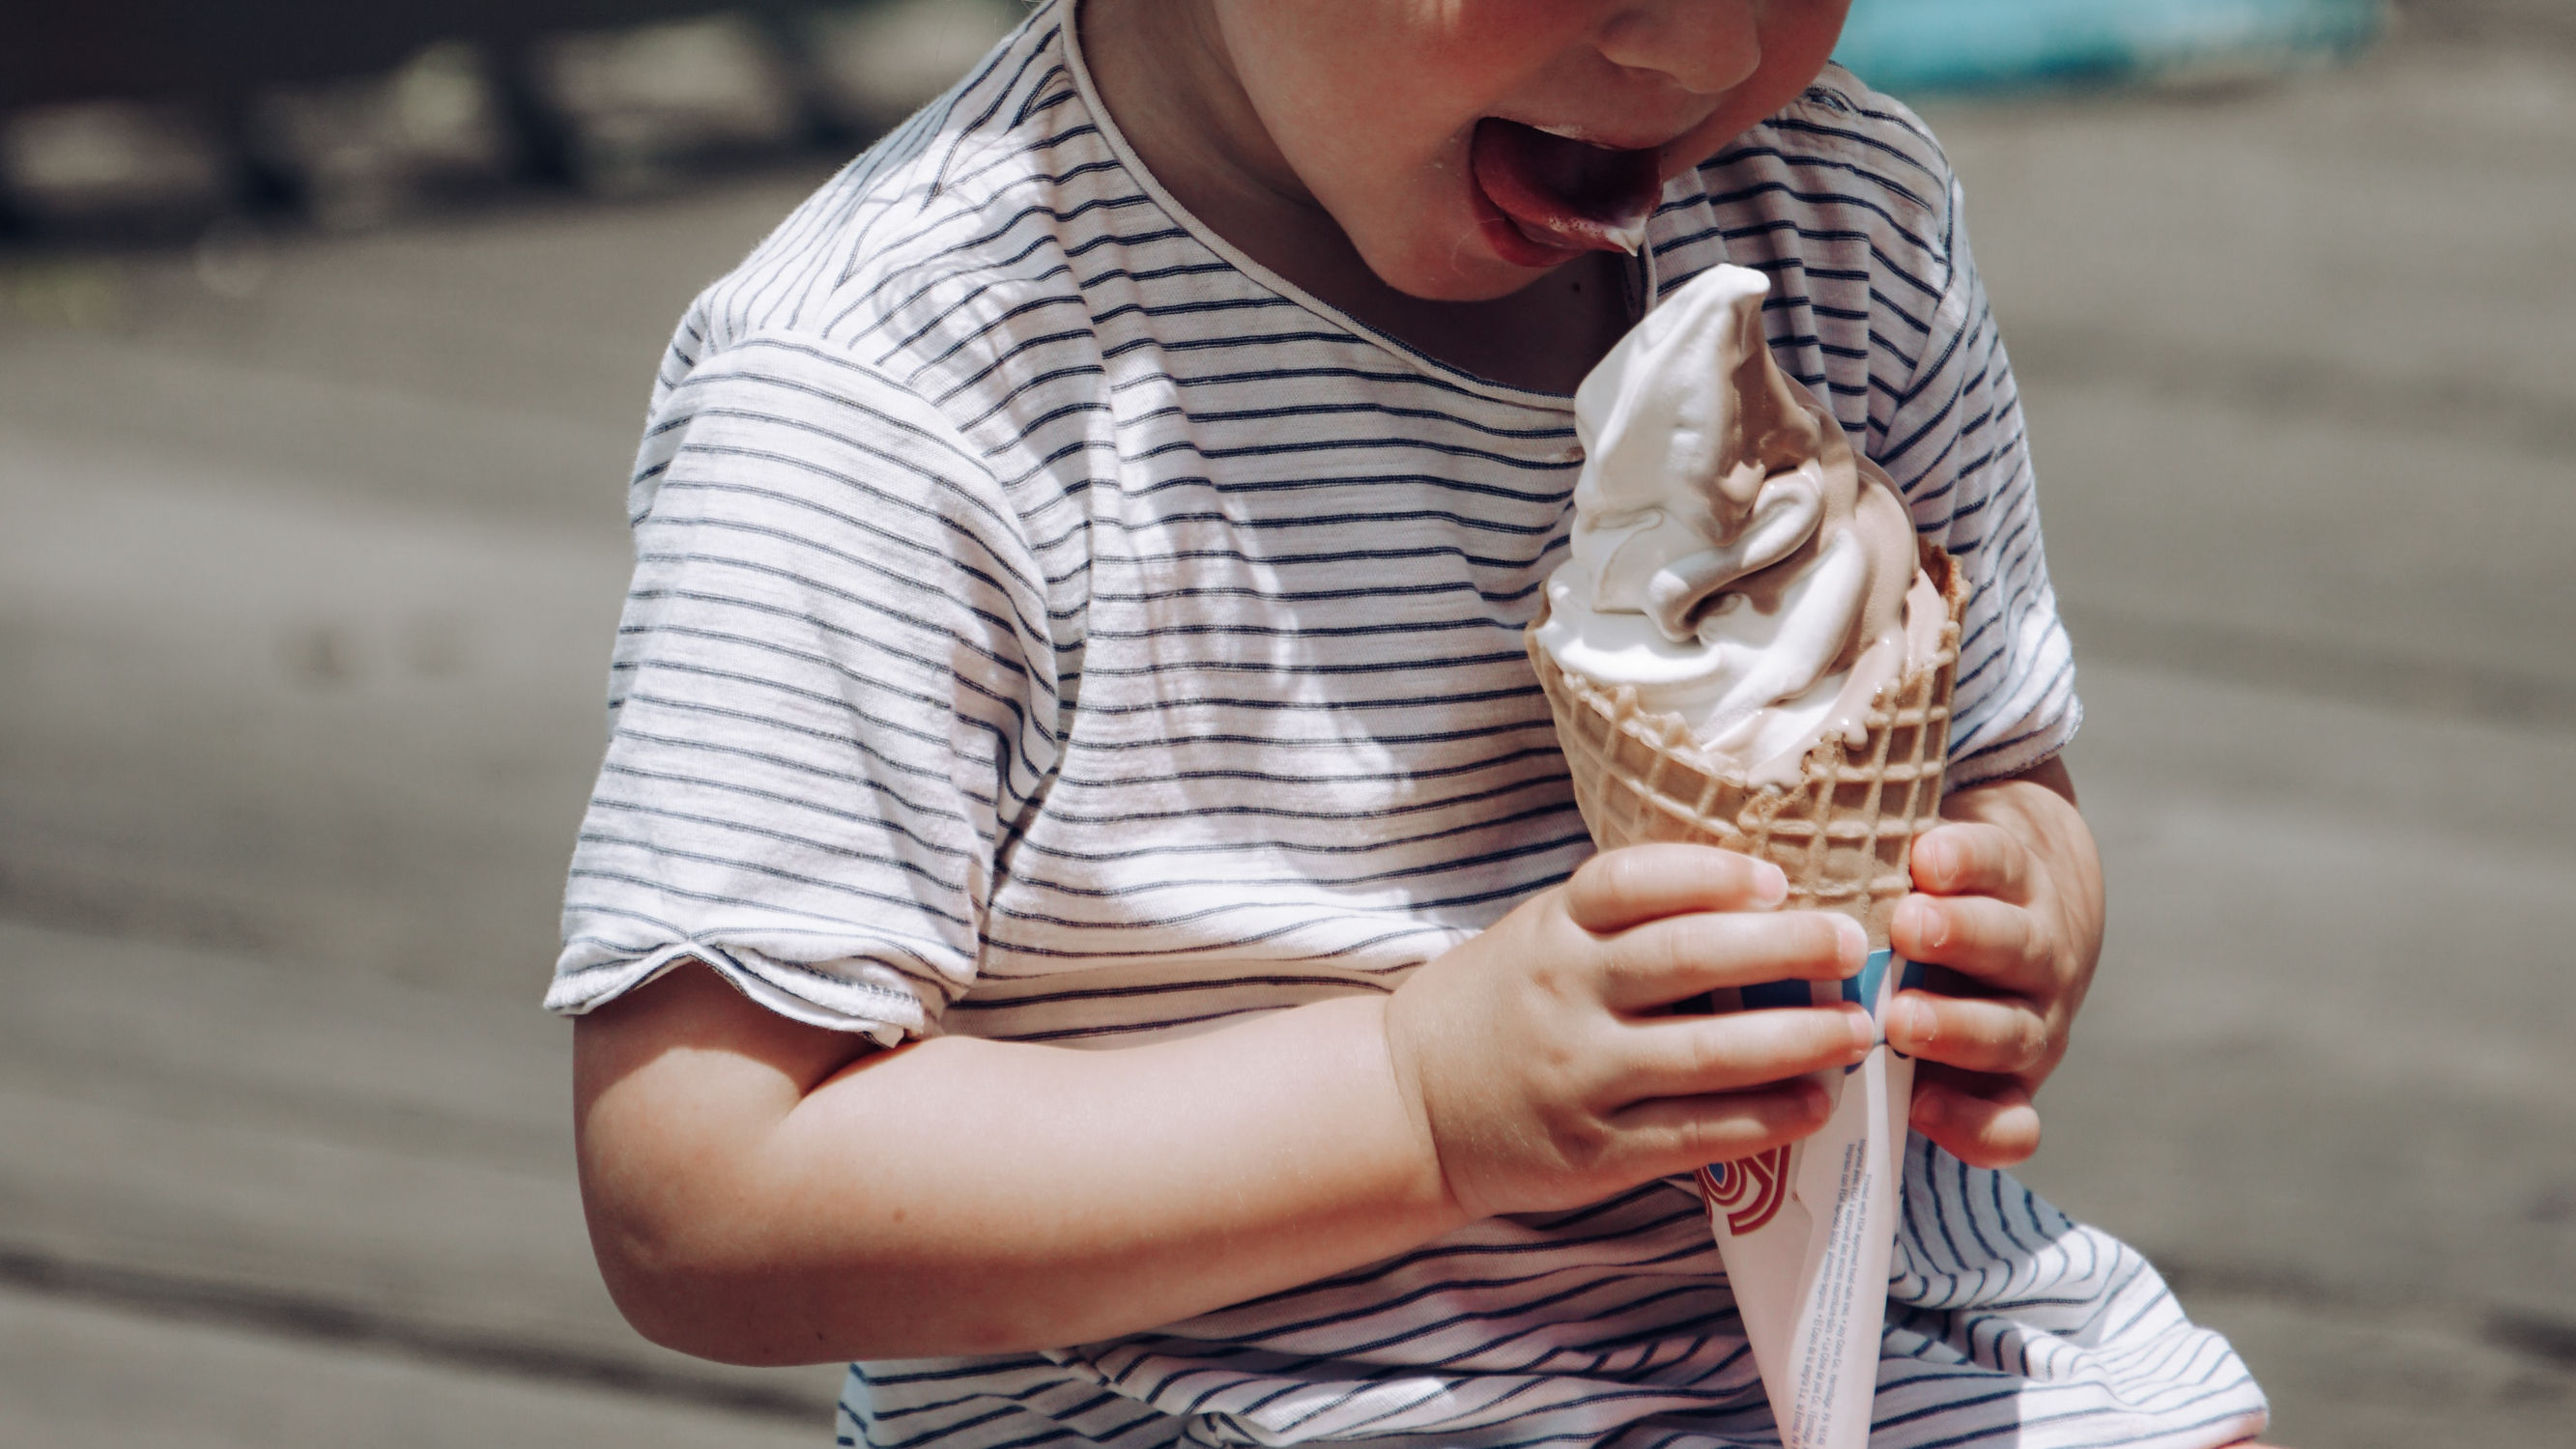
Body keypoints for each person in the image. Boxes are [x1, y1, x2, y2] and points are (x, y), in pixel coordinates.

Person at [552, 3, 2275, 1445]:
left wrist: (2015, 901)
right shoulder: (901, 393)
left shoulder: (1834, 219)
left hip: (1848, 1329)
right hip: (1204, 1400)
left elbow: (1994, 757)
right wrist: (1418, 1101)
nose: (1699, 47)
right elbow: (703, 1197)